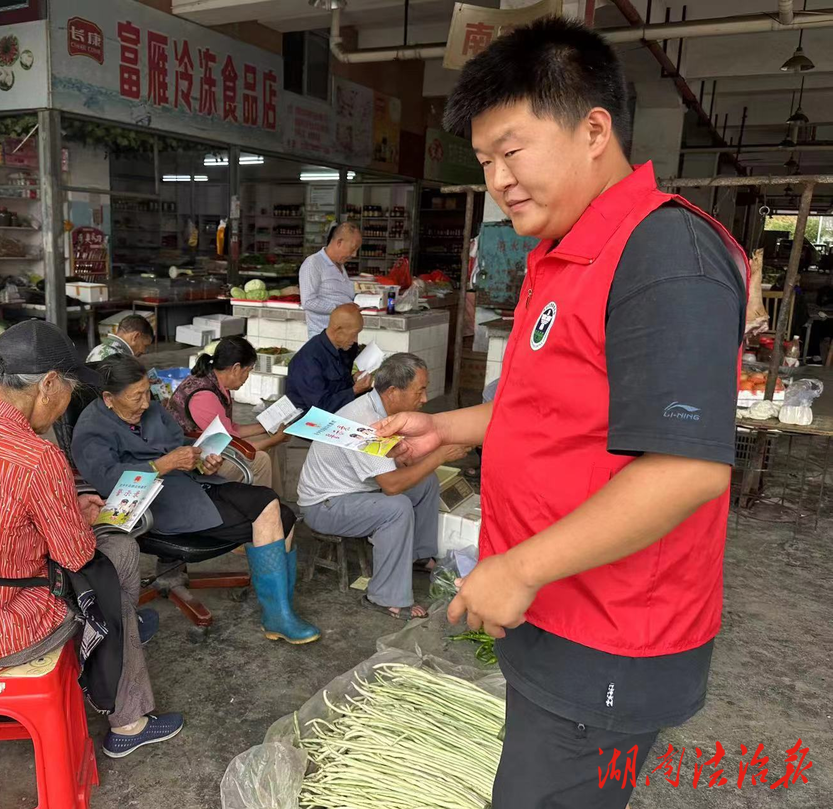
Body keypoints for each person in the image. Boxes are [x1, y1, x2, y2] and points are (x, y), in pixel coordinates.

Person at [374, 18, 748, 809]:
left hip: (610, 632)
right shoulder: (564, 252)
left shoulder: (663, 256)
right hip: (557, 609)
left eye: (512, 150)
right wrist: (449, 431)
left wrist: (519, 567)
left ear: (593, 129)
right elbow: (545, 407)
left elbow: (687, 467)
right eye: (484, 163)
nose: (499, 179)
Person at [0, 320, 182, 760]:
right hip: (2, 631)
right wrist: (79, 516)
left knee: (107, 572)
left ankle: (117, 642)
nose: (67, 402)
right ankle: (128, 719)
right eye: (69, 389)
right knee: (119, 555)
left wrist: (67, 505)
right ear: (49, 384)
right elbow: (76, 554)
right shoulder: (37, 455)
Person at [71, 355, 320, 645]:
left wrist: (202, 459)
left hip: (192, 483)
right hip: (154, 504)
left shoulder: (149, 410)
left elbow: (180, 442)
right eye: (135, 396)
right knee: (272, 515)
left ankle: (280, 612)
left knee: (277, 507)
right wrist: (162, 465)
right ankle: (278, 616)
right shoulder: (91, 428)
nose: (145, 403)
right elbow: (106, 479)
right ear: (109, 398)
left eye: (146, 393)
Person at [299, 354, 467, 619]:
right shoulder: (365, 421)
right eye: (419, 391)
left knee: (426, 481)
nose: (424, 399)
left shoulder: (383, 410)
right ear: (392, 392)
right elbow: (390, 486)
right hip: (325, 505)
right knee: (397, 507)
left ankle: (418, 556)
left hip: (354, 493)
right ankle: (385, 597)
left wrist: (412, 458)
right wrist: (440, 456)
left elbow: (393, 466)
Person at [166, 336, 290, 494]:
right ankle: (262, 511)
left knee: (268, 439)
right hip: (197, 465)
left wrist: (266, 426)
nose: (247, 378)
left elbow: (230, 430)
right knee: (261, 459)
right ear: (236, 368)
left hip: (210, 447)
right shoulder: (205, 396)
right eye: (247, 371)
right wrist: (274, 439)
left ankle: (276, 504)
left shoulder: (212, 381)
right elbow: (233, 446)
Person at [286, 303, 372, 413]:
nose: (355, 340)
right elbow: (320, 407)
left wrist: (353, 380)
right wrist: (354, 390)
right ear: (338, 330)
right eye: (353, 334)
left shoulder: (341, 349)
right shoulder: (309, 359)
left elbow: (335, 388)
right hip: (307, 420)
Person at [299, 222, 363, 337]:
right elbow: (308, 302)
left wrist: (360, 297)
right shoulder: (313, 263)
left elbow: (340, 295)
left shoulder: (340, 265)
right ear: (339, 242)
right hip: (323, 337)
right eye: (353, 249)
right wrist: (341, 309)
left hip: (345, 336)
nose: (354, 254)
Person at [86, 314, 155, 363]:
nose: (143, 351)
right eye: (145, 345)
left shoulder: (98, 348)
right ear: (135, 336)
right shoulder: (119, 358)